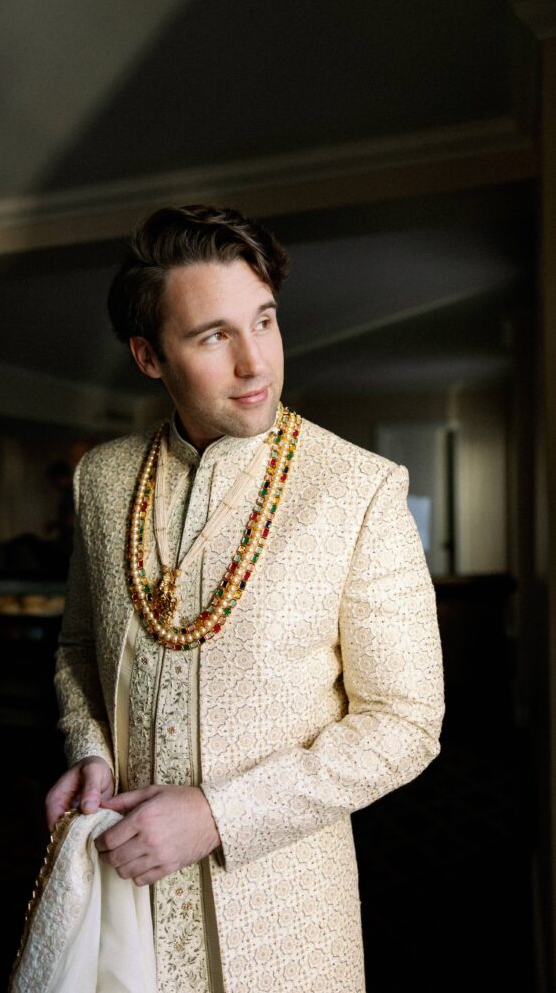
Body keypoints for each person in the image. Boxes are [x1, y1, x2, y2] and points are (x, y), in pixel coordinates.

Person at [45, 204, 445, 993]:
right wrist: (87, 748)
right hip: (123, 905)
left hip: (285, 918)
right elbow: (78, 652)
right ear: (148, 356)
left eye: (263, 321)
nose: (254, 362)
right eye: (212, 336)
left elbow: (406, 722)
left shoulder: (358, 492)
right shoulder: (101, 481)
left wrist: (217, 815)